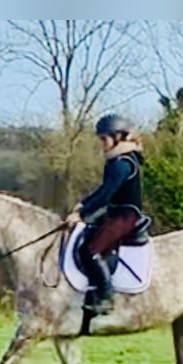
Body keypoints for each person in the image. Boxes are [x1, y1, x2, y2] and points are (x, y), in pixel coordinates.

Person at [64, 113, 145, 315]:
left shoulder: (123, 163)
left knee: (90, 251)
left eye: (104, 139)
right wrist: (81, 206)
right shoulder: (118, 160)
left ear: (118, 137)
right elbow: (102, 191)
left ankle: (106, 296)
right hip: (115, 213)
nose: (101, 144)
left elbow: (106, 193)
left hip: (125, 216)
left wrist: (82, 213)